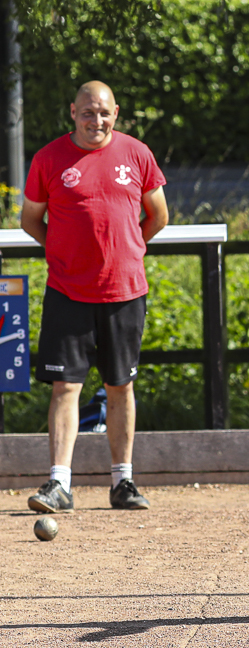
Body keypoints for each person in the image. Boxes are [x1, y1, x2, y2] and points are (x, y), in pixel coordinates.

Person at [21, 81, 169, 513]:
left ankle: (123, 483)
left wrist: (129, 249)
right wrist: (61, 253)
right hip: (68, 291)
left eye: (103, 113)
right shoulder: (49, 158)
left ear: (116, 113)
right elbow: (31, 219)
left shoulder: (137, 153)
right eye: (87, 112)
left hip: (125, 292)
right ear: (72, 112)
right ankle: (58, 485)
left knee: (120, 386)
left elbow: (158, 214)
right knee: (65, 387)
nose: (96, 120)